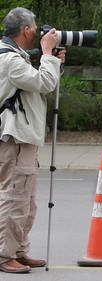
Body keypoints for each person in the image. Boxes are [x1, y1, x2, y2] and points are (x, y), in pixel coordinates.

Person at [0, 7, 65, 273]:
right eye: (35, 26)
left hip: (24, 138)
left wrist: (53, 62)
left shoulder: (17, 57)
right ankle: (4, 256)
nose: (39, 31)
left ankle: (18, 250)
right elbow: (44, 84)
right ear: (25, 29)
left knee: (27, 198)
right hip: (15, 139)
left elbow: (39, 86)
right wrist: (48, 55)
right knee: (15, 196)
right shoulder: (10, 60)